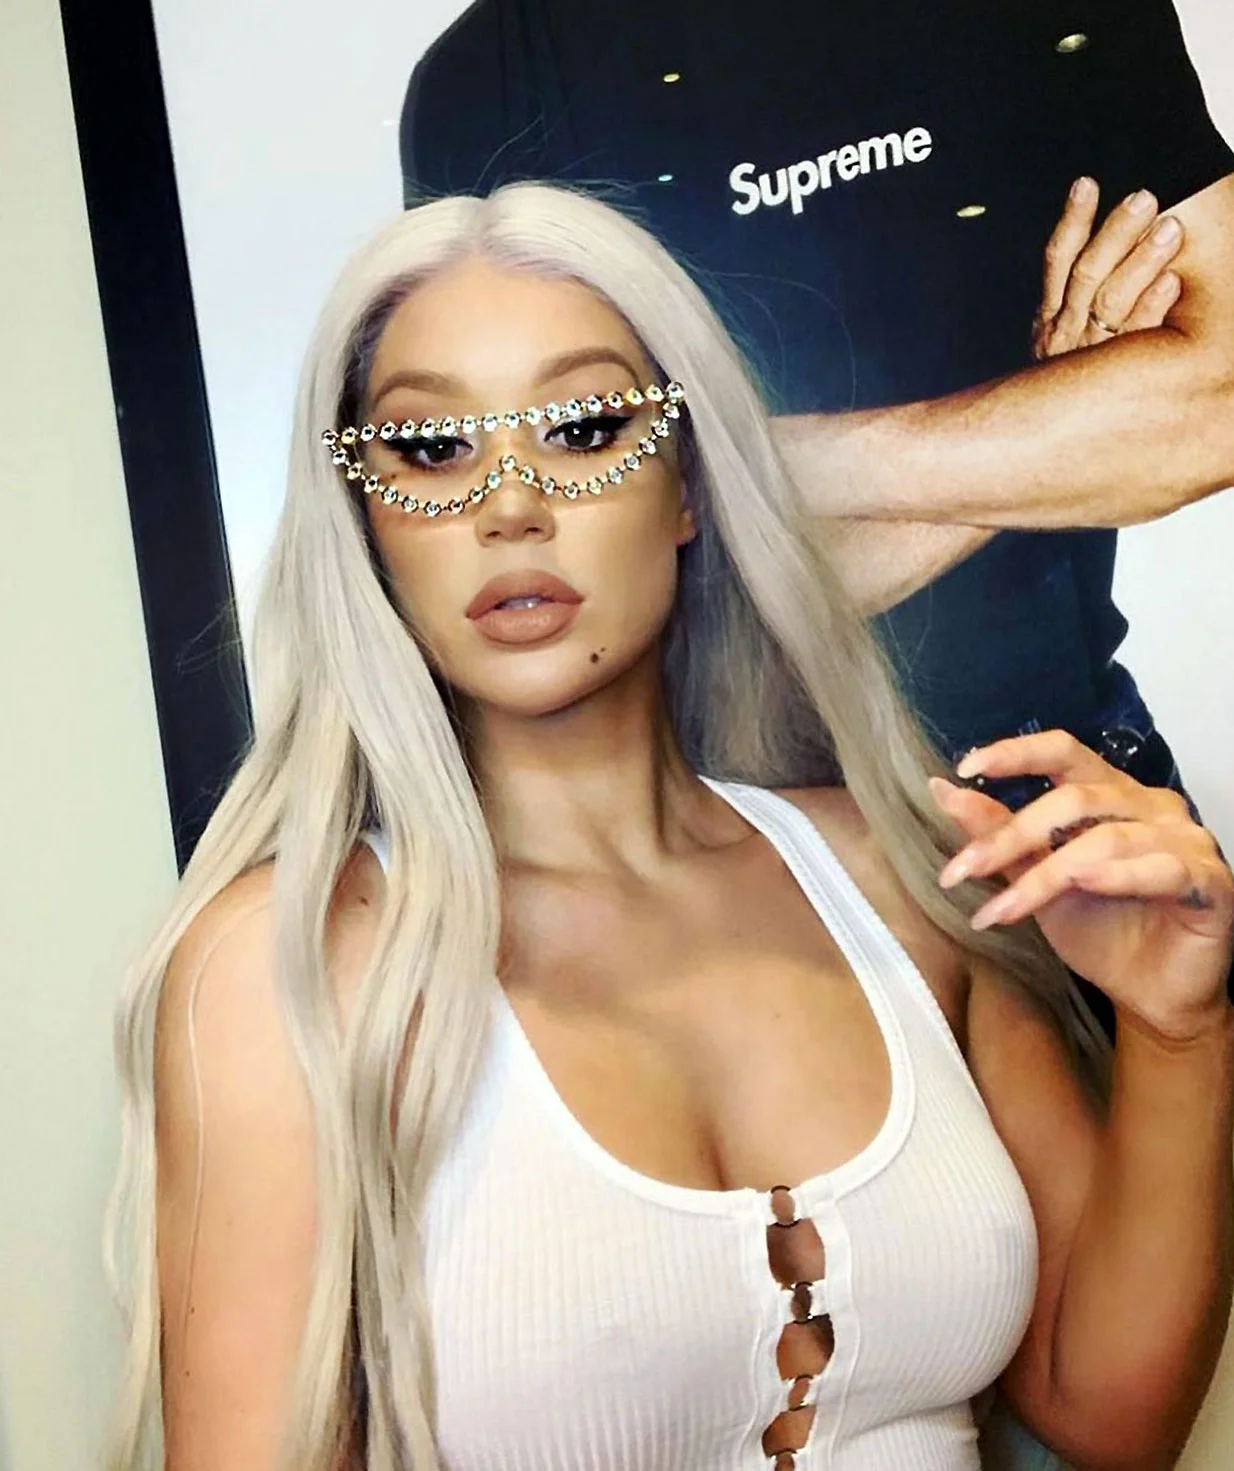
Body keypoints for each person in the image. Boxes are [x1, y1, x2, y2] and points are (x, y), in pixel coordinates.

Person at [106, 184, 1234, 1471]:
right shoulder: (287, 968)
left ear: (687, 486)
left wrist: (1174, 1031)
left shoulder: (895, 868)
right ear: (367, 523)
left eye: (584, 428)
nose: (509, 505)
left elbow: (1110, 1414)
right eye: (431, 450)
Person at [400, 0, 1234, 815]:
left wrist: (729, 463)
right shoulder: (491, 77)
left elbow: (1215, 408)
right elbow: (629, 591)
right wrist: (1060, 411)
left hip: (1065, 773)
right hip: (721, 812)